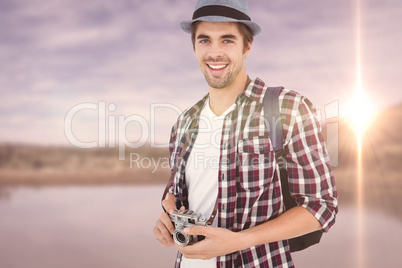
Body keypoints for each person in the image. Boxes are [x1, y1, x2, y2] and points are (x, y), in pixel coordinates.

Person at [152, 0, 338, 267]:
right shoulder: (184, 123)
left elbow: (321, 207)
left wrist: (239, 241)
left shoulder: (288, 108)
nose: (214, 52)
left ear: (247, 46)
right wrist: (167, 221)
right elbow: (178, 198)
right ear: (194, 47)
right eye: (204, 40)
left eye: (227, 40)